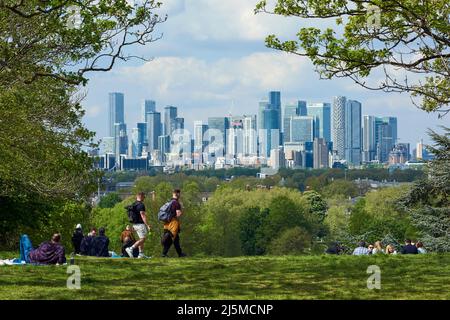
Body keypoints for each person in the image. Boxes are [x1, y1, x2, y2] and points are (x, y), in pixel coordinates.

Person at [125, 192, 151, 259]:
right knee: (143, 239)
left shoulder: (134, 204)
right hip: (140, 225)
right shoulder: (141, 205)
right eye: (144, 197)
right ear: (141, 196)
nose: (144, 198)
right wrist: (147, 225)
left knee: (140, 239)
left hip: (134, 225)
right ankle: (131, 248)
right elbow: (143, 215)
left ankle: (141, 254)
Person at [161, 189, 186, 258]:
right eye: (179, 194)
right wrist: (181, 211)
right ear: (177, 194)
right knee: (171, 238)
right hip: (173, 223)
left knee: (176, 239)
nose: (180, 195)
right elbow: (178, 214)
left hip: (166, 222)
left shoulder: (169, 202)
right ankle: (164, 253)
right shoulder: (176, 203)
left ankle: (180, 253)